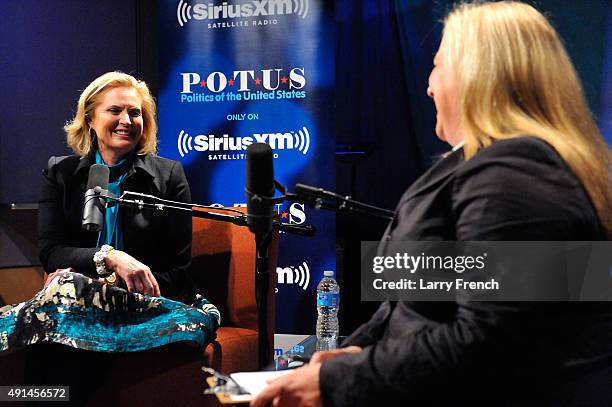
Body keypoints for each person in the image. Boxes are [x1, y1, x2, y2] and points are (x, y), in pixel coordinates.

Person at [251, 2, 612, 406]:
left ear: (478, 76)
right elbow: (421, 302)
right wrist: (353, 354)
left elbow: (490, 342)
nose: (428, 85)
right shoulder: (503, 167)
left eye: (438, 66)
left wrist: (341, 379)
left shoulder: (515, 175)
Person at [39, 71, 196, 302]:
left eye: (135, 113)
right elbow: (51, 253)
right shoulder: (60, 173)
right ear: (90, 119)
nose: (126, 121)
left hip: (149, 301)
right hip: (79, 301)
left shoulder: (169, 175)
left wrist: (111, 286)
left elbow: (179, 270)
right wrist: (110, 257)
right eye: (114, 111)